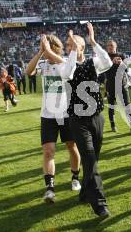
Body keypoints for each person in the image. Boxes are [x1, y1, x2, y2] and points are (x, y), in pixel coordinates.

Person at [63, 23, 112, 217]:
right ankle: (99, 204)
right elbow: (67, 74)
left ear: (82, 47)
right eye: (68, 45)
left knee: (93, 161)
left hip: (97, 118)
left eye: (73, 44)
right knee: (90, 160)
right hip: (78, 120)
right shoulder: (68, 64)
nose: (69, 47)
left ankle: (84, 193)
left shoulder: (93, 63)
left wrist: (93, 41)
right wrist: (74, 52)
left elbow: (107, 62)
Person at [25, 34, 82, 204]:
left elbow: (67, 67)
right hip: (47, 115)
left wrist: (48, 51)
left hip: (65, 113)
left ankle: (75, 177)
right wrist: (40, 53)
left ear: (56, 47)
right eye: (44, 47)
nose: (46, 51)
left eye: (49, 47)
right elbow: (28, 72)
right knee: (48, 151)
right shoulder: (43, 64)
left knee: (72, 146)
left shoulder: (63, 62)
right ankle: (50, 189)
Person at [103, 39, 131, 133]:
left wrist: (121, 63)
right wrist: (112, 63)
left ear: (115, 46)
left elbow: (127, 70)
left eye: (112, 45)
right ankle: (113, 124)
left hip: (122, 85)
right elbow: (104, 70)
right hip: (110, 85)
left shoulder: (121, 56)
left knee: (127, 105)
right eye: (108, 45)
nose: (110, 47)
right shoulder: (105, 57)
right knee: (111, 106)